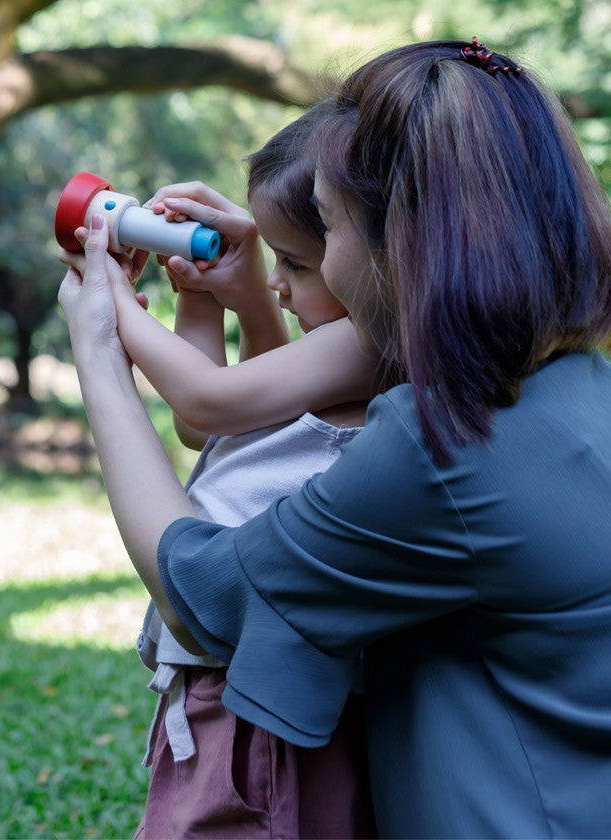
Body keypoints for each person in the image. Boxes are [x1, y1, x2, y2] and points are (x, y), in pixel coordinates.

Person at [59, 38, 611, 838]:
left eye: (328, 224)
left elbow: (205, 598)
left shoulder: (443, 444)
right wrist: (245, 298)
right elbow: (264, 427)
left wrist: (101, 353)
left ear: (405, 242)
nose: (318, 259)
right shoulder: (577, 388)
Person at [73, 104, 377, 838]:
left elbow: (208, 401)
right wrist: (207, 298)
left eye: (296, 262)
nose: (277, 283)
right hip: (226, 688)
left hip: (252, 710)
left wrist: (109, 307)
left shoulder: (367, 342)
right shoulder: (337, 354)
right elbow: (218, 430)